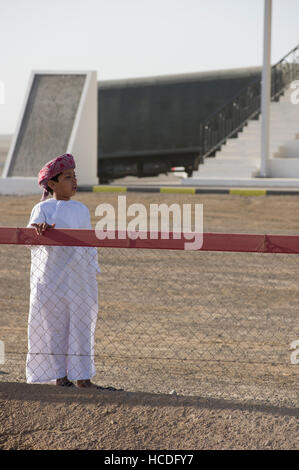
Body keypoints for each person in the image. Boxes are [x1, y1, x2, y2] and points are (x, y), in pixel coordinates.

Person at [26, 153, 101, 389]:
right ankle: (59, 376)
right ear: (52, 183)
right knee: (54, 327)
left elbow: (89, 242)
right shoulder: (42, 209)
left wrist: (91, 269)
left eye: (74, 176)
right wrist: (40, 230)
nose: (74, 181)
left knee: (82, 325)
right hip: (51, 280)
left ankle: (83, 376)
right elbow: (29, 240)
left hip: (79, 280)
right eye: (68, 177)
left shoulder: (82, 209)